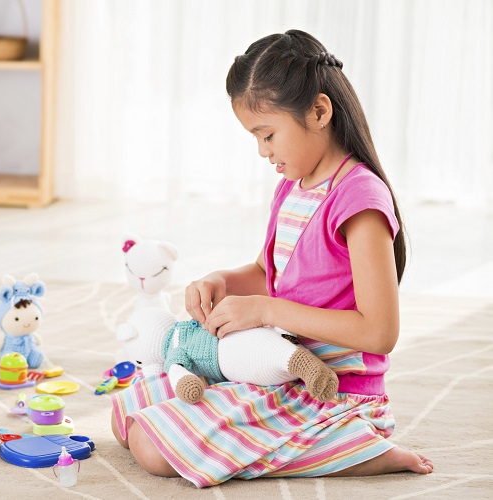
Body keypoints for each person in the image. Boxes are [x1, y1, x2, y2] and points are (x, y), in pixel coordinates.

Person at [110, 29, 433, 487]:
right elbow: (266, 273)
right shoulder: (292, 187)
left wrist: (264, 309)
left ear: (319, 111)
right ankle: (320, 440)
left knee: (150, 444)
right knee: (129, 413)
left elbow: (379, 333)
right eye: (255, 137)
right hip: (278, 368)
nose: (263, 151)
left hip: (330, 392)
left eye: (267, 134)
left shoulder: (359, 199)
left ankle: (356, 445)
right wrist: (221, 281)